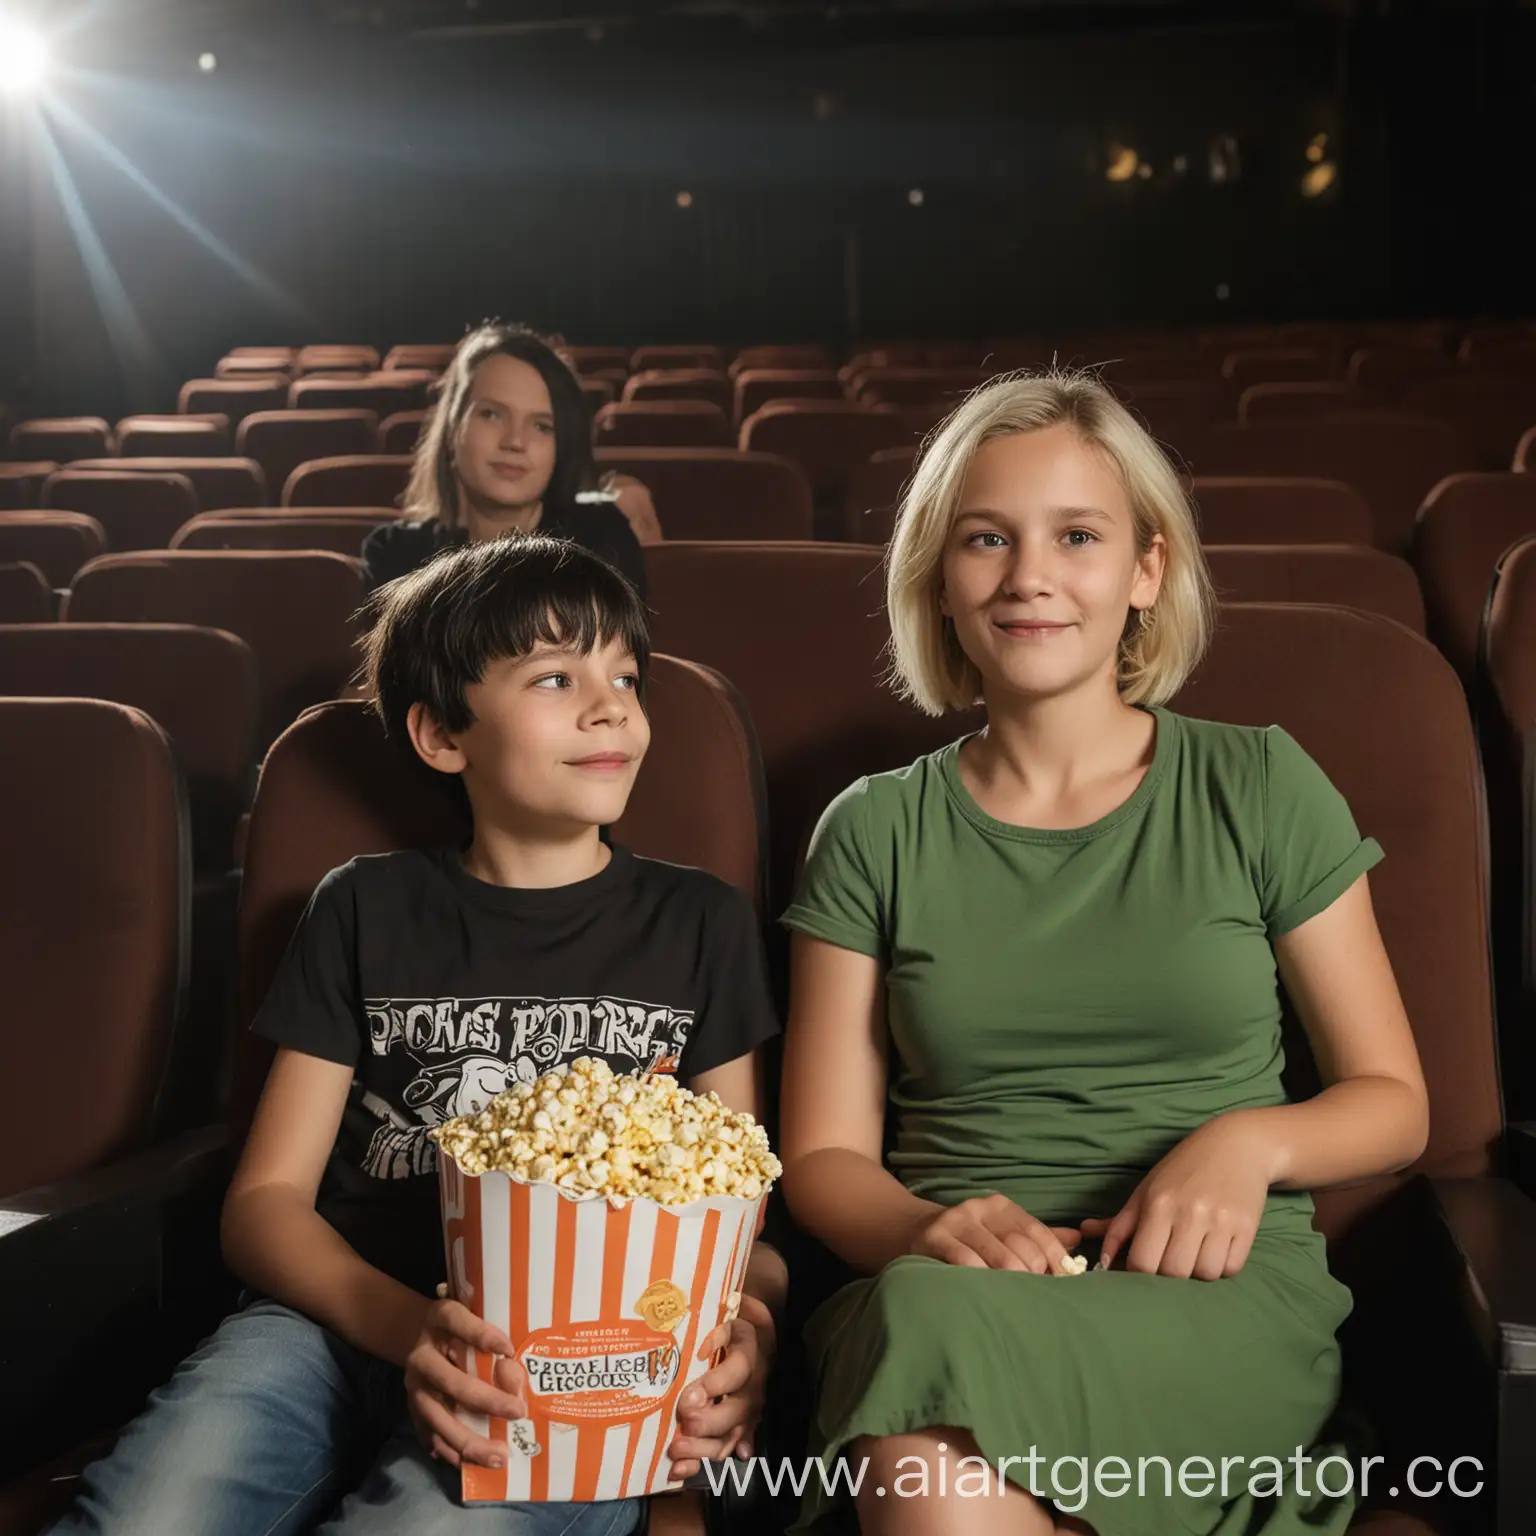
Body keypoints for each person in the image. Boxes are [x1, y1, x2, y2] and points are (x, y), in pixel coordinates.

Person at [776, 371, 1428, 1536]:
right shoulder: (872, 827)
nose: (1029, 575)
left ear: (1146, 571)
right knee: (924, 1342)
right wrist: (921, 1230)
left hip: (1215, 1298)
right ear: (939, 577)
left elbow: (1396, 1102)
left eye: (1077, 535)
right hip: (949, 1290)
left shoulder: (1259, 784)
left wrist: (1249, 1140)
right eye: (987, 539)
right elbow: (824, 1155)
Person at [46, 535, 786, 1535]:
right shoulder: (363, 908)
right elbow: (263, 1203)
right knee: (146, 1517)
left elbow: (741, 1216)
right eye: (556, 677)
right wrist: (405, 1329)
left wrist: (749, 1329)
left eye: (625, 675)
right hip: (330, 1318)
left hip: (567, 1357)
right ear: (442, 735)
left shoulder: (700, 922)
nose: (612, 704)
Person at [361, 325, 659, 599]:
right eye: (491, 414)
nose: (515, 441)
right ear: (453, 428)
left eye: (542, 426)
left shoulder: (601, 536)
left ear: (561, 446)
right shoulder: (393, 554)